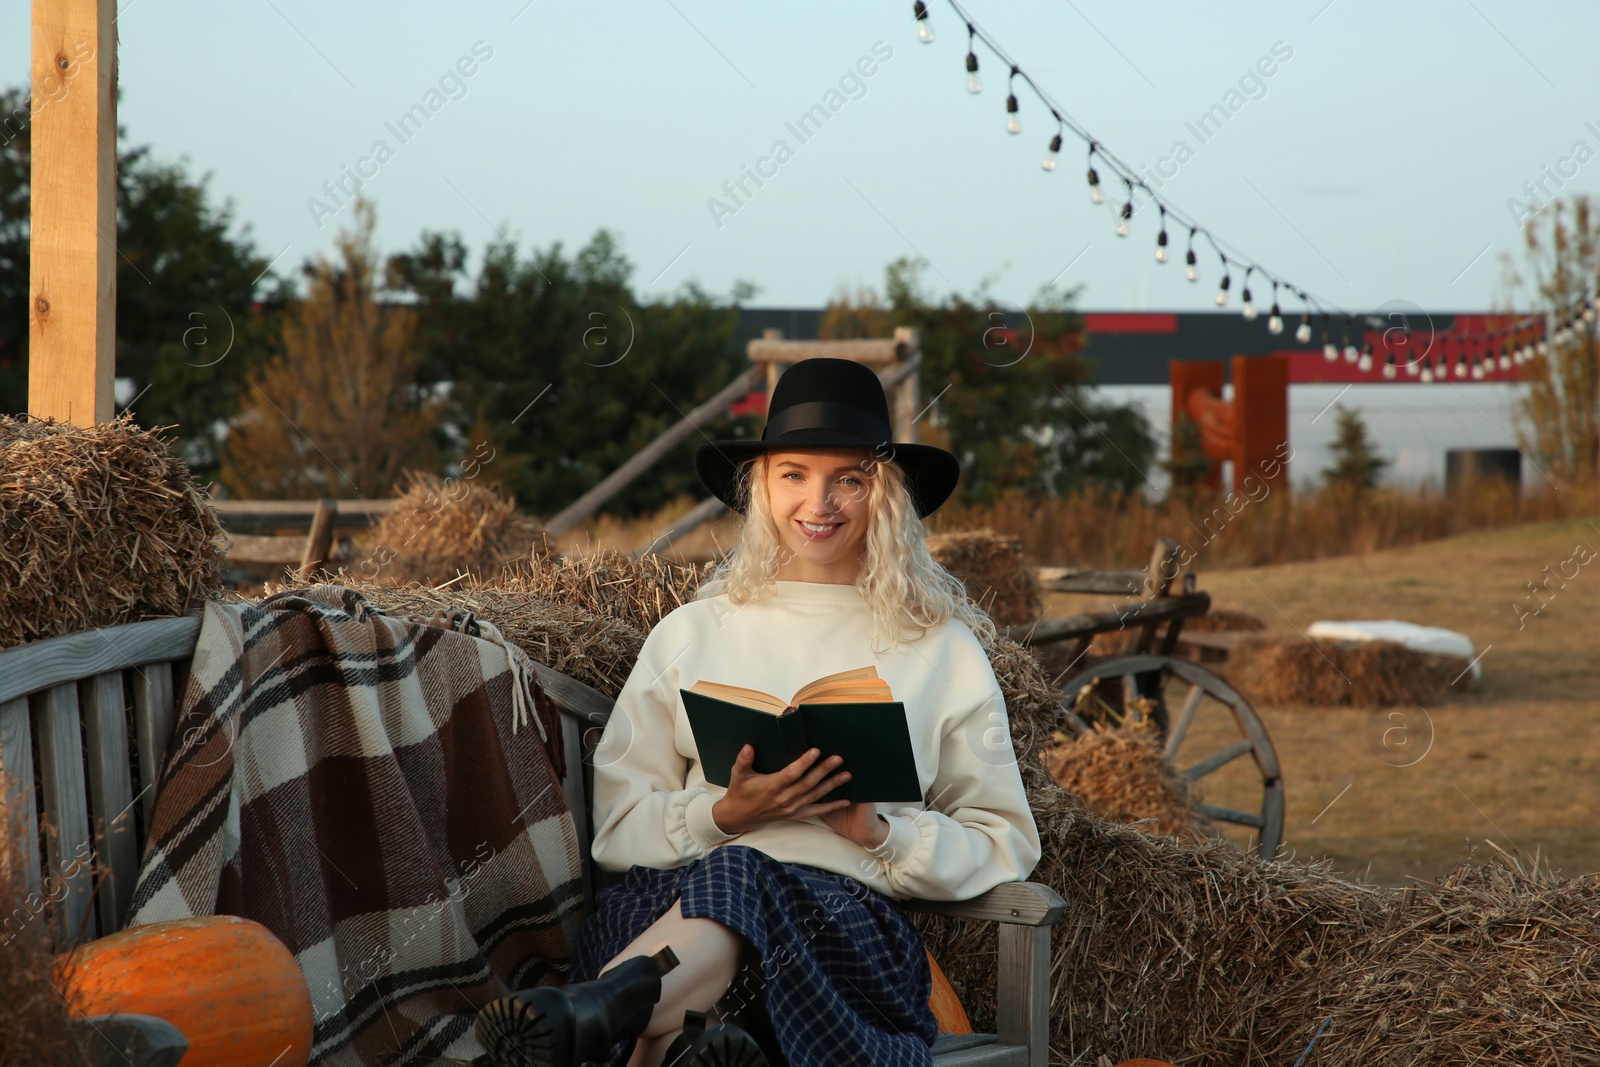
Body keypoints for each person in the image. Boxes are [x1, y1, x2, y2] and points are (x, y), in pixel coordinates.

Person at [479, 358, 1041, 1067]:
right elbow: (618, 827)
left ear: (888, 494)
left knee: (742, 876)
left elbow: (1005, 837)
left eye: (851, 479)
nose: (821, 501)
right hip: (667, 907)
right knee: (733, 873)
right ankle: (686, 1041)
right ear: (762, 487)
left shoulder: (942, 647)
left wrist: (882, 832)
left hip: (841, 936)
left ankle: (602, 1009)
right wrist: (723, 816)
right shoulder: (692, 632)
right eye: (795, 473)